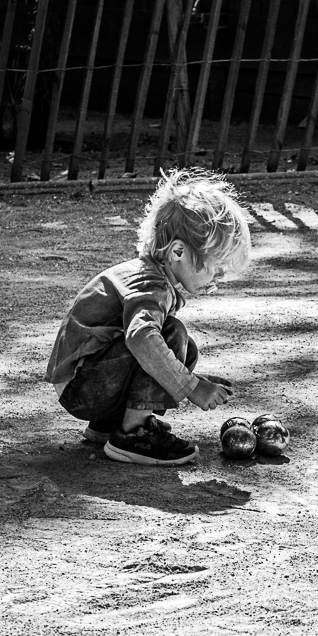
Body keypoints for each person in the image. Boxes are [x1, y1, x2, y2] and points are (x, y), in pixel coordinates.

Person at [45, 169, 250, 466]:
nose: (217, 276)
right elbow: (141, 339)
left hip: (86, 384)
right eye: (214, 266)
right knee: (172, 335)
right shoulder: (150, 286)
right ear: (178, 251)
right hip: (84, 389)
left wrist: (189, 377)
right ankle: (132, 433)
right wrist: (191, 387)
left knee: (183, 346)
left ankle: (110, 425)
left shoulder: (151, 276)